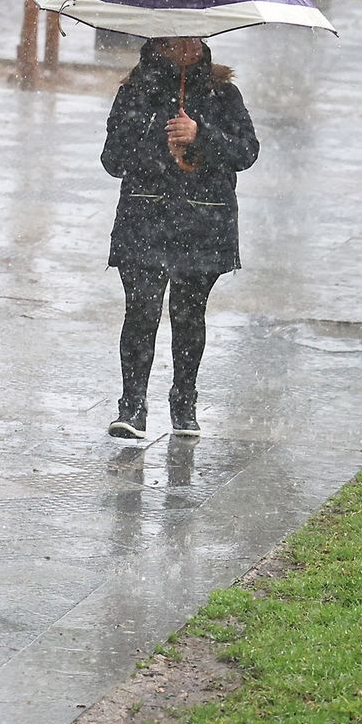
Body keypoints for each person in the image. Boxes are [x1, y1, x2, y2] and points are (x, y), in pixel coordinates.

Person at [101, 36, 260, 440]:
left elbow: (246, 152)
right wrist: (154, 133)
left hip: (202, 224)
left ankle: (184, 402)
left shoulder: (223, 93)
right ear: (157, 46)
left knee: (189, 317)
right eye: (175, 42)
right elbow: (113, 160)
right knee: (141, 314)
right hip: (145, 219)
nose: (187, 48)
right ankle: (132, 406)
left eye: (194, 40)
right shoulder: (134, 93)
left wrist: (200, 135)